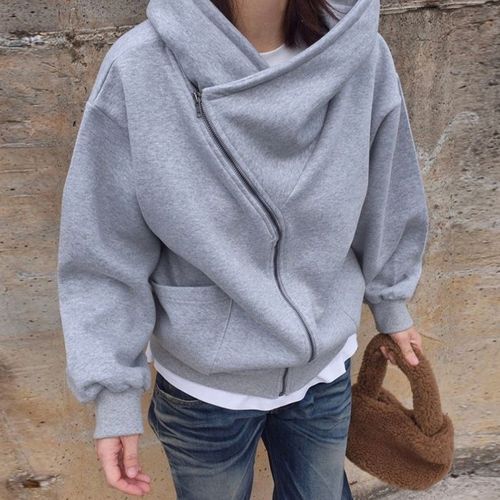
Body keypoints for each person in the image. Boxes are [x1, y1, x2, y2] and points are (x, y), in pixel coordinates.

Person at [56, 0, 429, 498]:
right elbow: (103, 249)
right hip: (205, 387)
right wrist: (113, 394)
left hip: (323, 369)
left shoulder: (361, 54)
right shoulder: (140, 67)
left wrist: (392, 301)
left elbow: (388, 188)